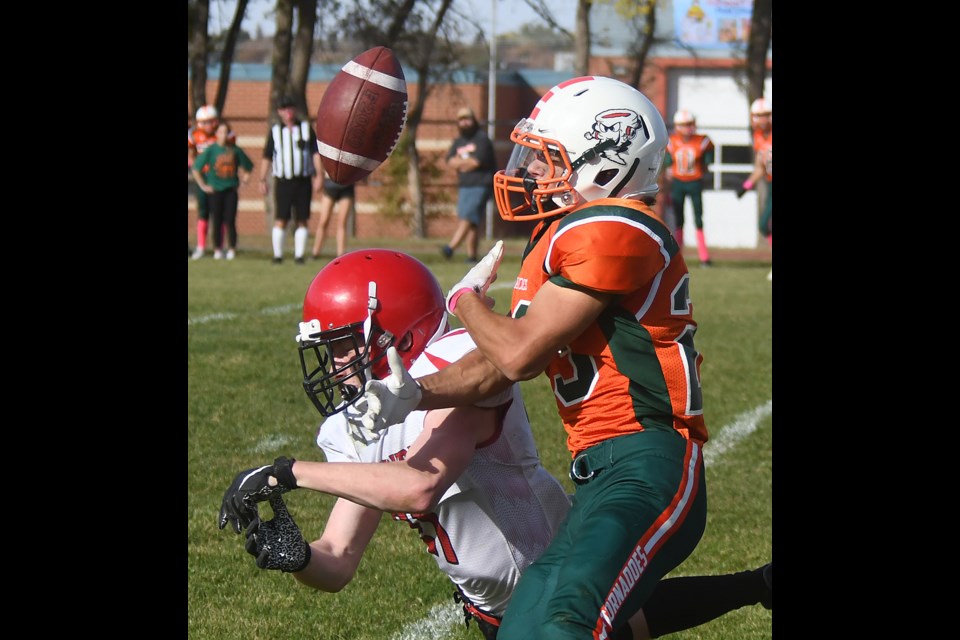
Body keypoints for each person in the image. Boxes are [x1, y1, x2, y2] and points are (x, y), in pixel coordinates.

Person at [218, 249, 772, 640]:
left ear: (396, 335)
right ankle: (760, 585)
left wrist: (290, 471)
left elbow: (419, 485)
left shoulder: (455, 373)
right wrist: (296, 559)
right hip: (494, 607)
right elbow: (337, 560)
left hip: (552, 582)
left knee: (620, 619)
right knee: (634, 622)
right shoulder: (365, 422)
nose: (335, 366)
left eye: (342, 347)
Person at [353, 76, 713, 640]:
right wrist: (416, 394)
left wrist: (465, 302)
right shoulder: (559, 234)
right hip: (600, 471)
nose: (532, 174)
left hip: (649, 461)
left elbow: (518, 355)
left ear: (608, 162)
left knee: (562, 618)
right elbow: (494, 366)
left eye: (549, 160)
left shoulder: (617, 227)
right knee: (523, 624)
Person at [259, 95, 322, 264]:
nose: (288, 112)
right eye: (284, 109)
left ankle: (299, 255)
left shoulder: (306, 129)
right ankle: (278, 255)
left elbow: (315, 153)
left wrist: (319, 175)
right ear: (279, 112)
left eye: (290, 108)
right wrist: (262, 179)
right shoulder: (275, 132)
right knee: (281, 218)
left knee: (302, 218)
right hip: (283, 181)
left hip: (302, 180)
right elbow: (267, 156)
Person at [191, 121, 254, 260]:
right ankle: (217, 249)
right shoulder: (211, 150)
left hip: (230, 189)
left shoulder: (234, 150)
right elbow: (196, 168)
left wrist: (244, 180)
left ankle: (231, 248)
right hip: (215, 190)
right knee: (217, 220)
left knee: (230, 220)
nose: (223, 135)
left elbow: (248, 166)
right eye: (220, 132)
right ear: (216, 134)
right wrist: (203, 185)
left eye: (226, 132)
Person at [440, 107, 496, 263]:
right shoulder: (459, 141)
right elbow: (450, 161)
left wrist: (461, 164)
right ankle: (472, 256)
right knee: (472, 222)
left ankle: (451, 247)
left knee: (468, 216)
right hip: (465, 185)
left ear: (474, 120)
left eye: (467, 119)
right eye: (461, 119)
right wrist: (464, 164)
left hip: (481, 184)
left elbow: (475, 163)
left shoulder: (482, 139)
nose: (465, 122)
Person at [663, 109, 715, 267]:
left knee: (698, 218)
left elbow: (708, 160)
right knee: (679, 219)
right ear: (678, 126)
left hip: (695, 182)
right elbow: (667, 164)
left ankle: (704, 256)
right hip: (678, 183)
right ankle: (678, 256)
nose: (688, 128)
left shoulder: (702, 141)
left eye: (690, 124)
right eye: (685, 125)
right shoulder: (672, 141)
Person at [189, 104, 234, 260]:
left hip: (220, 178)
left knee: (219, 214)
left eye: (211, 121)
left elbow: (231, 152)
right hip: (204, 176)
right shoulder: (194, 135)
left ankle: (218, 247)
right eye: (205, 122)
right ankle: (201, 246)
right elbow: (191, 154)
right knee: (203, 212)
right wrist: (196, 166)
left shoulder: (222, 134)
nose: (209, 125)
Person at [737, 97, 772, 279]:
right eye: (757, 116)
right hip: (770, 184)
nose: (760, 120)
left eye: (764, 115)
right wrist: (747, 185)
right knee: (763, 224)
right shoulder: (758, 137)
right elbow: (760, 167)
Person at [310, 169, 354, 259]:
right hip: (330, 185)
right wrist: (319, 175)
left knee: (342, 223)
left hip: (347, 187)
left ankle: (341, 254)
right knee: (323, 221)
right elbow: (319, 157)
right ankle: (315, 253)